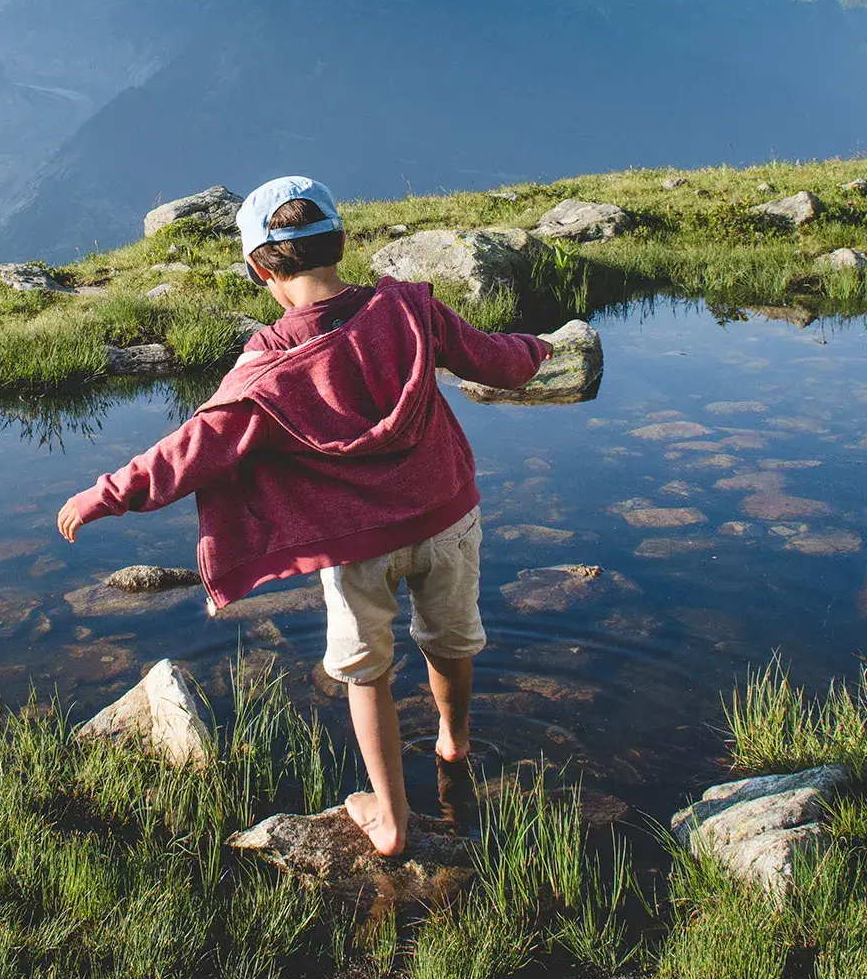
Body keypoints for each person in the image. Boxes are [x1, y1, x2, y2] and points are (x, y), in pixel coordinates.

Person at [57, 177, 552, 856]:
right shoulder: (410, 310)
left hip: (357, 547)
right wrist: (542, 348)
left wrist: (106, 493)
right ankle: (453, 742)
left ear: (261, 269)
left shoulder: (268, 363)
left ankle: (390, 818)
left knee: (365, 670)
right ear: (342, 244)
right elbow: (496, 360)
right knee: (451, 639)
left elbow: (194, 448)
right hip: (447, 514)